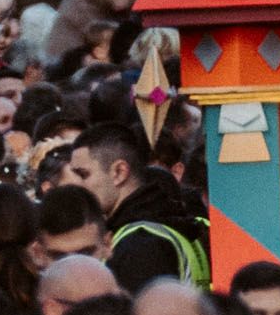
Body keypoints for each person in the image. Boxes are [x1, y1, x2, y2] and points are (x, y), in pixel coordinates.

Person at [65, 124, 209, 292]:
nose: (76, 185)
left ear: (119, 172)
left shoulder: (139, 245)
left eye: (83, 175)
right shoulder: (166, 222)